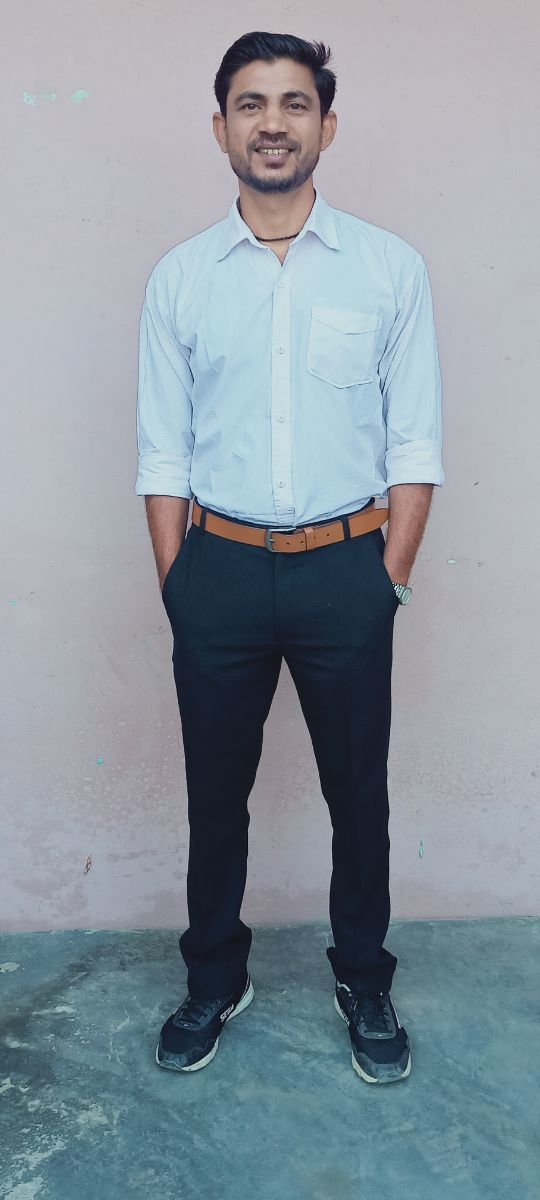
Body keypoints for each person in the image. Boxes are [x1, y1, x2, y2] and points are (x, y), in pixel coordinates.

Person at [135, 31, 444, 1084]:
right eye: (252, 104)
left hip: (346, 572)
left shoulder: (388, 269)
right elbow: (163, 451)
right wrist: (181, 585)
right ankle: (214, 977)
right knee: (214, 793)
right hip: (217, 570)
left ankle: (364, 975)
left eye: (295, 103)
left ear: (327, 126)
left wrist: (387, 578)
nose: (274, 123)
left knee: (359, 792)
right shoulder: (180, 278)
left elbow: (415, 444)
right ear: (221, 127)